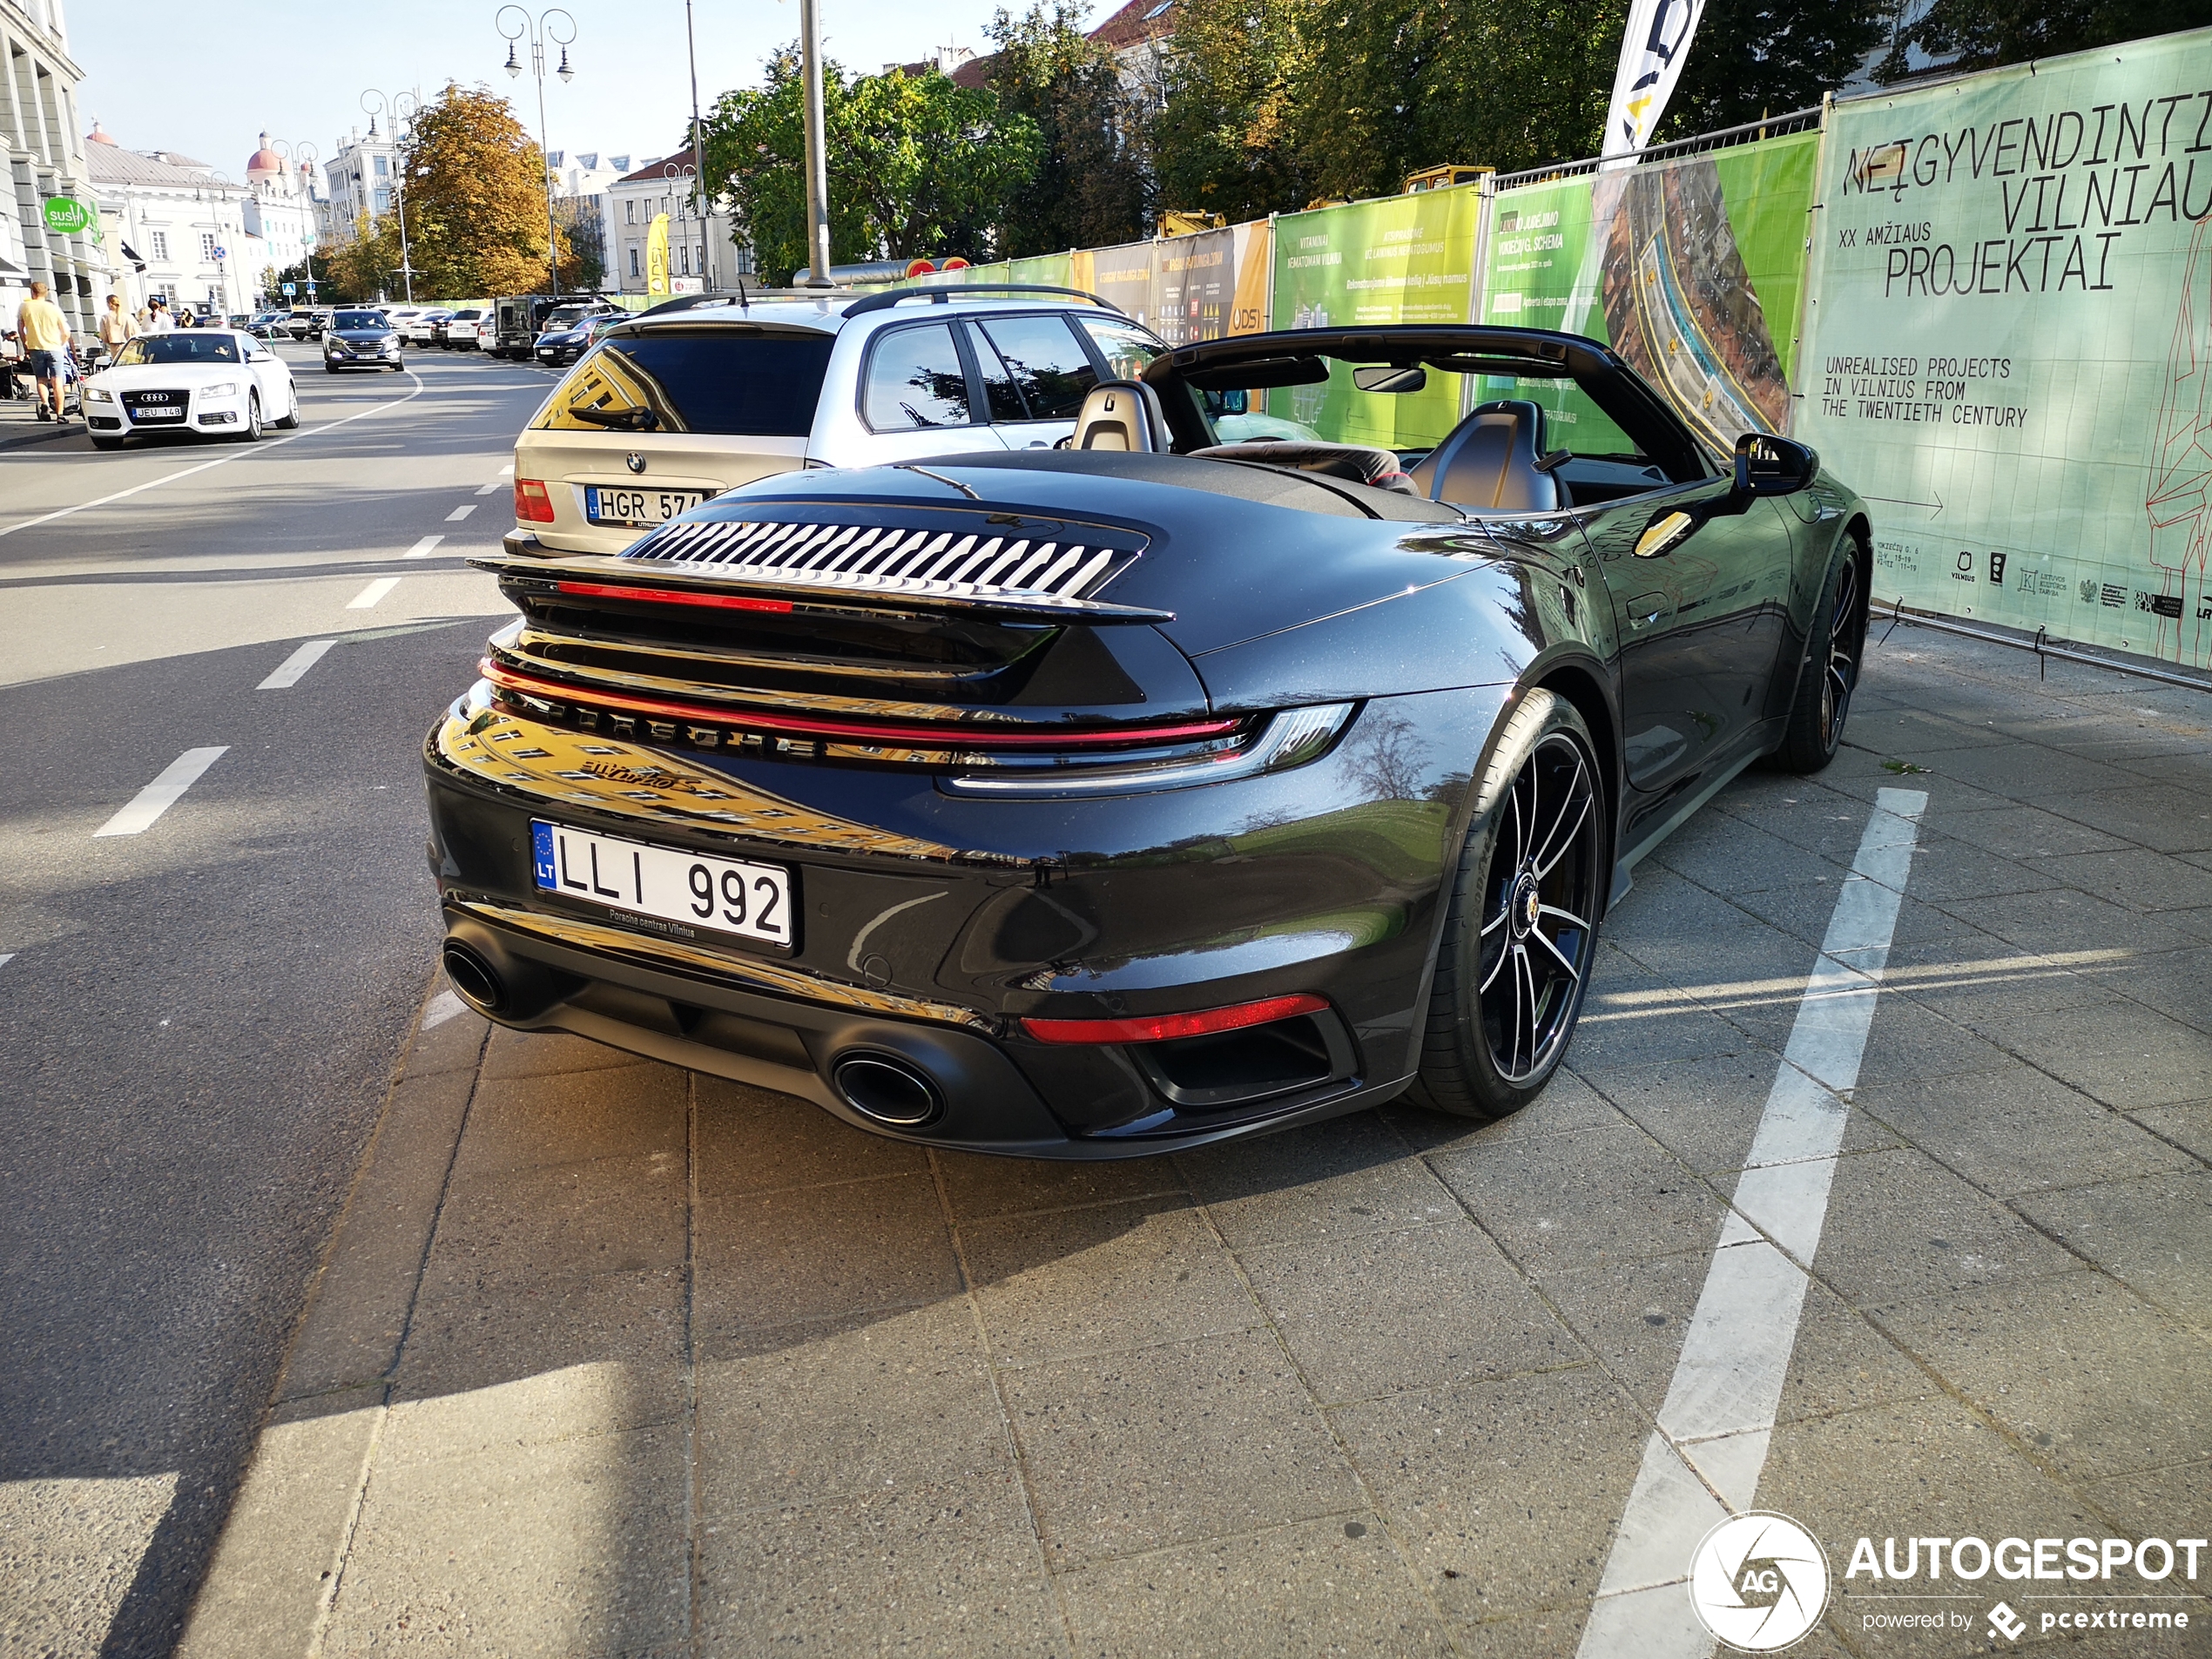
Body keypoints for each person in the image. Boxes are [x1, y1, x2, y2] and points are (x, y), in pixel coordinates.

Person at [17, 280, 72, 423]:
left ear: (32, 292)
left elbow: (20, 329)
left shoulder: (24, 307)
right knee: (57, 381)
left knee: (41, 379)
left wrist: (26, 344)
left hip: (35, 348)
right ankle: (60, 415)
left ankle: (45, 404)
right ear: (46, 293)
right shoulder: (54, 308)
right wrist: (61, 344)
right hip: (54, 348)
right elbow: (66, 331)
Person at [98, 293, 137, 363]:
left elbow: (103, 335)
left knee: (119, 367)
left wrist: (107, 341)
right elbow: (136, 332)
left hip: (115, 346)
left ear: (109, 303)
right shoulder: (128, 316)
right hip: (130, 345)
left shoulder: (105, 317)